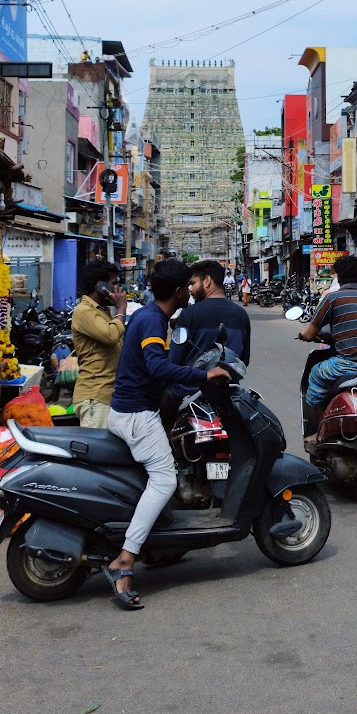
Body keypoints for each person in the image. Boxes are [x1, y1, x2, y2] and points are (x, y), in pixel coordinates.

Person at [103, 259, 229, 610]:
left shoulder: (147, 316)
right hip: (137, 416)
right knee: (163, 481)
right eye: (187, 286)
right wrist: (204, 377)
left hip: (129, 410)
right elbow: (157, 365)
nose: (191, 290)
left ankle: (160, 545)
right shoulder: (153, 320)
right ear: (177, 291)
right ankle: (125, 560)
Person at [297, 255, 357, 447]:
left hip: (347, 364)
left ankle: (320, 432)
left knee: (314, 376)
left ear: (338, 277)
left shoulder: (332, 298)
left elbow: (310, 333)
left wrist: (304, 335)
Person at [70, 259, 126, 428]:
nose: (118, 289)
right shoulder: (84, 311)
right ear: (100, 286)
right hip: (95, 396)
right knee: (98, 453)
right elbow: (111, 335)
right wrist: (122, 308)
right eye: (114, 284)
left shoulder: (101, 311)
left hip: (107, 395)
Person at [174, 258, 252, 366]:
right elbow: (244, 360)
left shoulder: (189, 314)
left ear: (207, 281)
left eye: (193, 283)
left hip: (193, 381)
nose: (191, 289)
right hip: (230, 380)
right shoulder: (241, 314)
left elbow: (175, 360)